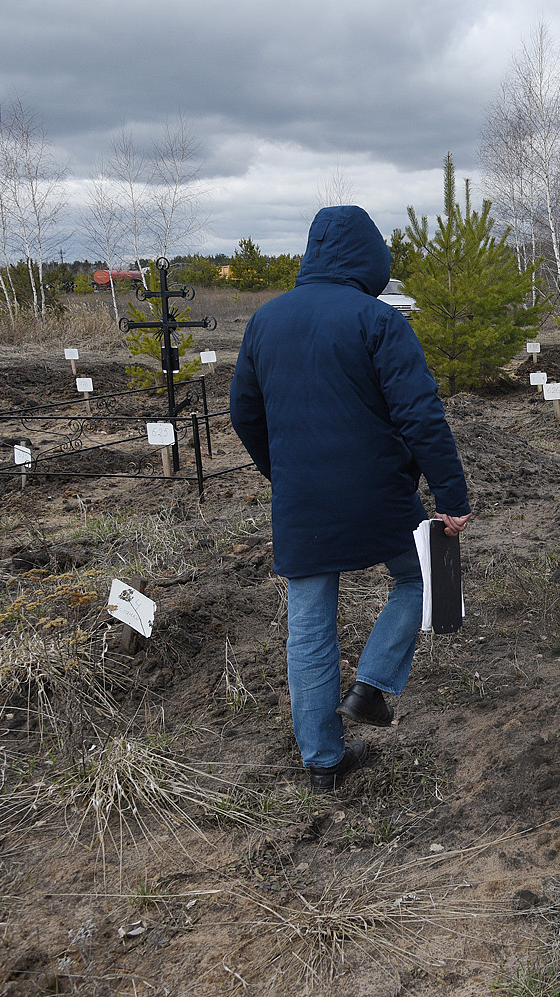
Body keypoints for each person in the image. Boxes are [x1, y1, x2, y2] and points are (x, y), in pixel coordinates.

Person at [230, 205, 471, 792]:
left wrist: (283, 475)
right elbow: (420, 415)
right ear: (370, 258)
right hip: (378, 495)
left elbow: (244, 415)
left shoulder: (264, 321)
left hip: (301, 503)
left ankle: (323, 760)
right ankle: (374, 685)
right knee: (425, 578)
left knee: (309, 628)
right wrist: (451, 494)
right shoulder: (378, 320)